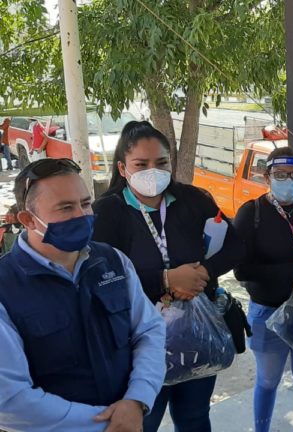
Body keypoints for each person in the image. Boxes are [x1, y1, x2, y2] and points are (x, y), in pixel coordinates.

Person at [92, 121, 244, 432]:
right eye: (141, 164)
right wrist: (164, 279)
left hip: (196, 334)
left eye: (161, 162)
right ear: (122, 168)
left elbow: (236, 245)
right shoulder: (106, 213)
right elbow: (100, 278)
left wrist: (203, 272)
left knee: (194, 418)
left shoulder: (193, 200)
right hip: (138, 344)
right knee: (143, 423)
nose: (153, 170)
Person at [0, 158, 166, 432]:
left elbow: (149, 331)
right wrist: (106, 423)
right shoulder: (6, 287)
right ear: (28, 220)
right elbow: (10, 399)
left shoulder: (113, 261)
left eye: (86, 203)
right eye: (66, 207)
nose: (82, 215)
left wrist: (137, 399)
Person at [233, 147, 293, 432]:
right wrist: (292, 272)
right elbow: (242, 270)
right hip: (267, 313)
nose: (288, 181)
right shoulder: (252, 213)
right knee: (267, 380)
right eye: (280, 175)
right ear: (266, 177)